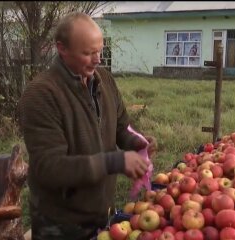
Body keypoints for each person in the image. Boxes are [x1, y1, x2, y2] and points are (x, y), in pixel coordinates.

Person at [18, 12, 157, 240]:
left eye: (99, 51)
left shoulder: (104, 79)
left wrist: (137, 142)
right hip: (61, 225)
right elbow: (49, 168)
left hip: (103, 215)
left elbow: (121, 127)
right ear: (62, 49)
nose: (98, 59)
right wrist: (116, 161)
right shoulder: (41, 94)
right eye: (88, 53)